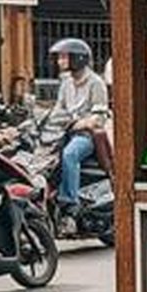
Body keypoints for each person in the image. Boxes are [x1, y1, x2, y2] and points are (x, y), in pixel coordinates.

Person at [47, 38, 108, 231]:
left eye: (64, 57)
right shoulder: (66, 83)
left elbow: (99, 118)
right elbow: (58, 111)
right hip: (63, 132)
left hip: (86, 136)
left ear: (78, 58)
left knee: (69, 154)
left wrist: (76, 123)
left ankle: (69, 203)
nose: (60, 61)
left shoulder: (96, 83)